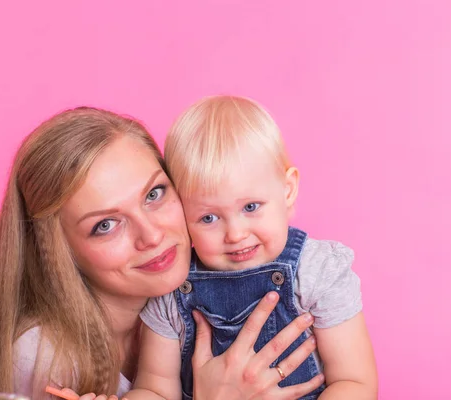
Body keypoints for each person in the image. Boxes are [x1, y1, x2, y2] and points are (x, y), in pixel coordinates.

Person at [0, 107, 323, 400]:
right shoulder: (43, 358)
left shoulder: (203, 295)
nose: (152, 235)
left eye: (155, 193)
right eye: (105, 225)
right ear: (59, 250)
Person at [126, 96, 378, 400]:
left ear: (287, 190)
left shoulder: (317, 271)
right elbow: (155, 389)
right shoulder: (172, 291)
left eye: (251, 206)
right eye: (208, 217)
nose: (235, 233)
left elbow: (355, 383)